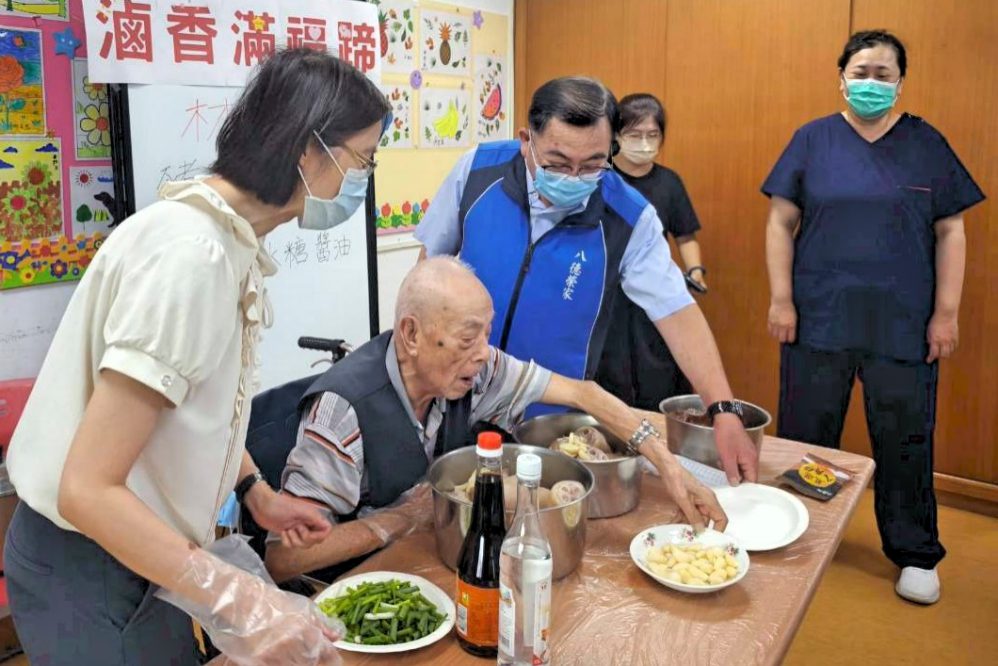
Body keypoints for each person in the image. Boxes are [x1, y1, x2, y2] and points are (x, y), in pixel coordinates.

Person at [3, 49, 391, 665]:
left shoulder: (227, 240)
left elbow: (190, 405)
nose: (362, 179)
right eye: (362, 159)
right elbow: (86, 489)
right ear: (308, 150)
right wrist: (240, 598)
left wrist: (255, 491)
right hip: (92, 558)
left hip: (137, 548)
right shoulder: (191, 256)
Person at [265, 258, 728, 582]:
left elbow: (583, 394)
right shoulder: (342, 411)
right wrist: (401, 519)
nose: (484, 354)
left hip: (433, 559)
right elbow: (284, 558)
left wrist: (671, 468)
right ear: (411, 334)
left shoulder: (477, 370)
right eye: (469, 338)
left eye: (486, 334)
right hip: (357, 585)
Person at [415, 76, 759, 485]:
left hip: (548, 421)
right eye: (558, 163)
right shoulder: (477, 171)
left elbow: (677, 312)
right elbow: (426, 276)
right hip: (452, 396)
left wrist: (722, 408)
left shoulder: (628, 217)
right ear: (526, 141)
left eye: (593, 164)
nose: (574, 177)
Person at [762, 30, 984, 605]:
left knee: (905, 439)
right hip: (819, 317)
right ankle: (801, 536)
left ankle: (915, 552)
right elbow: (780, 222)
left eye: (883, 74)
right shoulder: (812, 140)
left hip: (903, 323)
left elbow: (951, 231)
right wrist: (782, 299)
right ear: (841, 77)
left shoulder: (925, 143)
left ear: (900, 82)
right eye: (860, 72)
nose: (871, 83)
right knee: (808, 437)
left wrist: (946, 314)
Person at [595, 93, 705, 410]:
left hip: (653, 293)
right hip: (608, 296)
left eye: (652, 135)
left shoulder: (669, 182)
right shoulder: (599, 178)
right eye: (634, 135)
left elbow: (685, 235)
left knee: (658, 373)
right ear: (616, 136)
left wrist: (696, 271)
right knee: (610, 373)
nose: (644, 143)